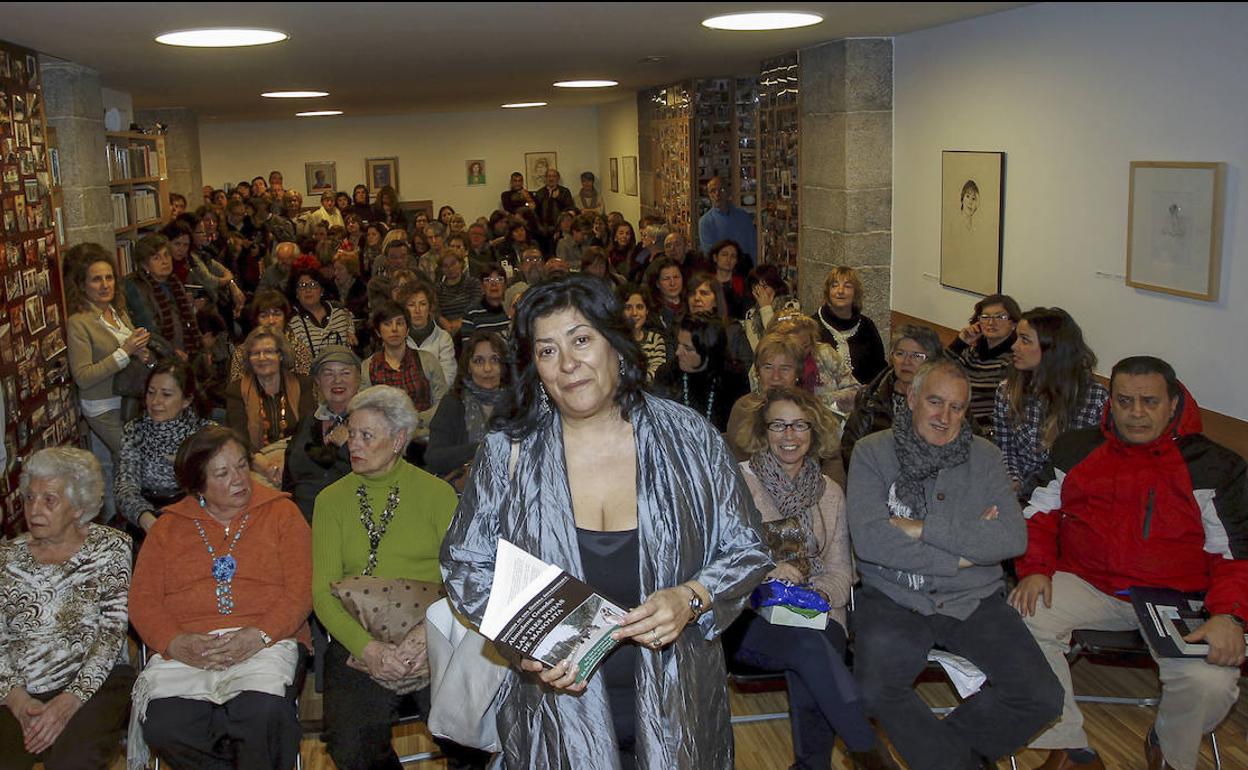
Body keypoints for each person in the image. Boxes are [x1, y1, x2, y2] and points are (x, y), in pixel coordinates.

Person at [440, 273, 772, 769]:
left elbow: (747, 545)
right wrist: (520, 638)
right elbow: (466, 562)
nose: (568, 364)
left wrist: (691, 597)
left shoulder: (688, 438)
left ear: (616, 344)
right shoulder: (508, 451)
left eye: (580, 340)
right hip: (557, 711)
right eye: (548, 350)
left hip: (677, 704)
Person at [1010, 356, 1248, 770]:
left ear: (1173, 404)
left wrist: (1230, 614)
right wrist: (1034, 569)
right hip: (1089, 583)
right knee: (1017, 618)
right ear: (1111, 402)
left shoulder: (1215, 467)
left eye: (1149, 401)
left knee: (1211, 681)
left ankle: (1169, 749)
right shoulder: (1076, 449)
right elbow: (1038, 515)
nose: (1136, 413)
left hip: (1180, 598)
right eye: (1124, 401)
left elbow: (1236, 552)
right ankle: (1070, 748)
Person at [847, 358, 1064, 770]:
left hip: (974, 598)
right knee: (876, 689)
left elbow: (1011, 538)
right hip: (895, 596)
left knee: (1041, 696)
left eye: (957, 407)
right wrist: (965, 551)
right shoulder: (872, 453)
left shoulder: (984, 457)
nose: (945, 417)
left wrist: (919, 527)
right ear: (911, 398)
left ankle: (940, 756)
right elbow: (873, 541)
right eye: (934, 402)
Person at [311, 385, 481, 769]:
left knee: (467, 734)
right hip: (359, 634)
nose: (353, 444)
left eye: (366, 436)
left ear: (399, 439)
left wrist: (428, 636)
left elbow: (465, 577)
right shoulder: (330, 501)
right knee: (351, 747)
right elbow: (322, 594)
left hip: (433, 630)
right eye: (351, 433)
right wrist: (369, 649)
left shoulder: (437, 494)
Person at [730, 387, 897, 770]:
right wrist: (765, 571)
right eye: (779, 425)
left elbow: (842, 572)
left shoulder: (831, 494)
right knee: (812, 651)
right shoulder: (736, 485)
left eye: (800, 425)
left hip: (818, 611)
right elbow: (721, 559)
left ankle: (814, 765)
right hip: (749, 615)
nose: (790, 436)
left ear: (815, 431)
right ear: (762, 430)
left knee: (814, 646)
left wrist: (812, 594)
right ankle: (868, 754)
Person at [129, 426, 312, 770]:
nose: (240, 479)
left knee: (262, 716)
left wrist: (259, 634)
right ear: (198, 485)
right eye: (223, 473)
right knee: (165, 725)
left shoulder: (282, 514)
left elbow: (301, 590)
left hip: (268, 639)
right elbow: (143, 601)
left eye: (242, 466)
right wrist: (174, 642)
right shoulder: (168, 529)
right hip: (188, 647)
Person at [0, 448, 134, 770]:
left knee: (72, 762)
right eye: (30, 498)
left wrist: (67, 703)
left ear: (78, 507)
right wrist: (18, 701)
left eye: (49, 500)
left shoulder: (111, 548)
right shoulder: (6, 557)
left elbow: (111, 634)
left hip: (94, 684)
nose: (34, 509)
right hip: (19, 690)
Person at [65, 243, 155, 516]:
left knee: (123, 466)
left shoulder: (118, 313)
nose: (105, 285)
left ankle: (124, 518)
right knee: (134, 458)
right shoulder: (79, 322)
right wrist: (125, 352)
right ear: (83, 285)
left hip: (129, 401)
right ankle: (132, 519)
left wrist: (144, 353)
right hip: (102, 407)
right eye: (96, 279)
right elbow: (83, 377)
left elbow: (136, 359)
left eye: (109, 277)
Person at [993, 307, 1108, 499]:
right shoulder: (1007, 391)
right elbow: (1004, 449)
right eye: (1017, 338)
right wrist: (1013, 481)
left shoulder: (1095, 399)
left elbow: (1088, 466)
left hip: (1066, 495)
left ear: (1052, 349)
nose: (1014, 346)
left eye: (1025, 340)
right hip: (1019, 492)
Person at [115, 359, 214, 534]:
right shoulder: (135, 430)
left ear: (186, 400)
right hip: (145, 517)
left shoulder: (205, 433)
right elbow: (125, 486)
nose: (155, 402)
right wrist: (146, 519)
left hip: (194, 516)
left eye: (166, 395)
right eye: (151, 393)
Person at [840, 324, 944, 471]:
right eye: (900, 353)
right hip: (877, 477)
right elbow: (850, 448)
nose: (906, 362)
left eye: (917, 356)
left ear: (932, 361)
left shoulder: (947, 399)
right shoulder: (870, 396)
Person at [226, 327, 316, 486]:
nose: (262, 358)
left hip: (297, 456)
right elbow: (239, 438)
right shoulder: (236, 390)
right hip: (255, 462)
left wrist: (285, 460)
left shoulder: (303, 384)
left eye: (268, 351)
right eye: (255, 353)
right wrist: (266, 466)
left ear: (280, 355)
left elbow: (308, 430)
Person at [282, 346, 361, 522]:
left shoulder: (371, 421)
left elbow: (377, 473)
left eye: (345, 373)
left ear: (358, 379)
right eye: (328, 374)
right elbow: (289, 479)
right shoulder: (307, 422)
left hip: (352, 517)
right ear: (318, 381)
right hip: (303, 518)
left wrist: (346, 445)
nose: (337, 380)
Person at [360, 301, 447, 444]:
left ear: (407, 329)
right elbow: (364, 408)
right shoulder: (368, 367)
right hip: (384, 440)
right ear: (378, 331)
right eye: (387, 324)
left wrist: (414, 420)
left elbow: (443, 402)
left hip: (423, 436)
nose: (394, 329)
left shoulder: (428, 360)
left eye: (400, 323)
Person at [425, 331, 510, 478]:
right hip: (463, 490)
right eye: (479, 361)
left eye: (495, 360)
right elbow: (433, 458)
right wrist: (481, 448)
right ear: (468, 367)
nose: (487, 368)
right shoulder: (453, 403)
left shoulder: (518, 401)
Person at [651, 314, 749, 433]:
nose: (678, 352)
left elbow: (741, 429)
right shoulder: (667, 374)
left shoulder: (733, 378)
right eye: (679, 344)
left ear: (709, 352)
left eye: (688, 348)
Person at [947, 293, 1020, 437]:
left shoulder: (1013, 361)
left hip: (986, 434)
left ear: (1014, 324)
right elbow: (933, 375)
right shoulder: (970, 354)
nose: (991, 323)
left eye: (1000, 317)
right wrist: (960, 343)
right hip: (956, 425)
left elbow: (1009, 413)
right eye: (985, 317)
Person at [123, 232, 202, 359]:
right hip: (157, 355)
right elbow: (149, 329)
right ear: (144, 265)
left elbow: (187, 320)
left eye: (166, 255)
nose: (165, 261)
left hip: (184, 349)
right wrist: (173, 353)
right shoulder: (137, 286)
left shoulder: (174, 281)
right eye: (156, 258)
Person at [725, 333, 803, 461]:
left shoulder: (811, 409)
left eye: (785, 368)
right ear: (758, 372)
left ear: (797, 373)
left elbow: (831, 459)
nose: (776, 377)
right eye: (768, 367)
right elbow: (735, 462)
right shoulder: (743, 409)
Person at [768, 314, 859, 417]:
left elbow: (856, 391)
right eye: (793, 348)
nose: (800, 352)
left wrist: (823, 400)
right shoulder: (768, 367)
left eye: (806, 346)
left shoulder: (825, 354)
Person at [811, 266, 887, 385]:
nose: (840, 291)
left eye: (847, 286)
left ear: (855, 293)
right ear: (828, 292)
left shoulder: (867, 326)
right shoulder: (812, 326)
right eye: (834, 285)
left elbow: (879, 369)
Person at [228, 289, 313, 380]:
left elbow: (306, 385)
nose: (271, 321)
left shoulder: (299, 349)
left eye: (277, 314)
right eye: (264, 316)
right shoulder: (242, 352)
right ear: (256, 320)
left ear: (285, 318)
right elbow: (236, 388)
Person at [287, 267, 357, 357]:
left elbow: (350, 321)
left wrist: (350, 331)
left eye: (313, 285)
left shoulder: (339, 311)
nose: (308, 290)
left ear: (322, 290)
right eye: (302, 286)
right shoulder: (292, 321)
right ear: (296, 293)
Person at [398, 281, 458, 385]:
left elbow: (448, 378)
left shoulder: (443, 338)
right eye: (412, 305)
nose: (417, 310)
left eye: (423, 304)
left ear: (430, 307)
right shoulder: (397, 338)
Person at [698, 176, 756, 268]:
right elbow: (710, 253)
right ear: (709, 195)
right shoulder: (705, 222)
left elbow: (753, 246)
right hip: (721, 270)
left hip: (744, 267)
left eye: (721, 190)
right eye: (713, 191)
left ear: (728, 192)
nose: (717, 194)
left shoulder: (743, 216)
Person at [741, 263, 801, 352]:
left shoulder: (791, 306)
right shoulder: (751, 314)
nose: (760, 292)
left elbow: (779, 339)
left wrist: (766, 308)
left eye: (765, 287)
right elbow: (757, 349)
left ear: (775, 287)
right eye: (756, 288)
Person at [618, 283, 666, 380]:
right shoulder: (613, 341)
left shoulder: (655, 340)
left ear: (647, 310)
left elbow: (657, 374)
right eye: (628, 308)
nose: (634, 313)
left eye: (639, 307)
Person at [459, 263, 512, 342]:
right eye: (488, 280)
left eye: (499, 279)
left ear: (505, 285)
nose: (494, 284)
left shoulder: (511, 311)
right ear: (482, 286)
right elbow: (468, 349)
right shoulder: (471, 313)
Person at [533, 167, 575, 250]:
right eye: (549, 176)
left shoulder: (564, 192)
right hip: (543, 229)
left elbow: (569, 209)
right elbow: (536, 212)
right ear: (545, 178)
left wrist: (558, 198)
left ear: (558, 178)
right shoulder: (540, 192)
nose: (551, 179)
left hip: (559, 227)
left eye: (554, 176)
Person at [708, 239, 749, 319]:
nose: (728, 259)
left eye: (733, 256)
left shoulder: (743, 284)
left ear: (736, 261)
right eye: (724, 254)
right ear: (715, 258)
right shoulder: (706, 283)